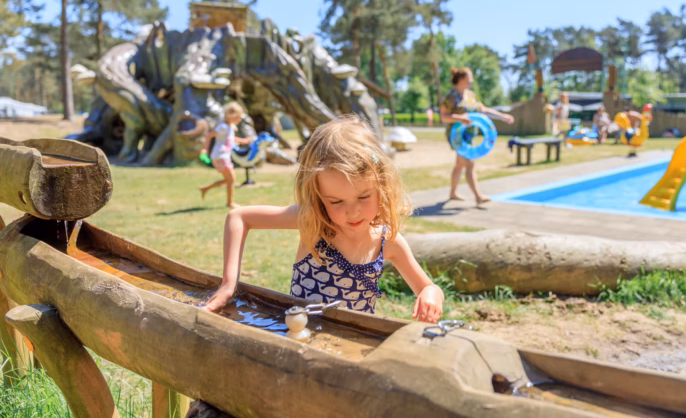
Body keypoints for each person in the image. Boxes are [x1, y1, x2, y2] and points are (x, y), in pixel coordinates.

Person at [204, 115, 444, 323]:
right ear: (319, 197)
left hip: (350, 352)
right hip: (300, 343)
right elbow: (239, 217)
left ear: (381, 184)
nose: (353, 212)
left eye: (363, 196)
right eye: (336, 202)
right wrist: (228, 283)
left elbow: (428, 286)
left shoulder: (388, 241)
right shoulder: (313, 222)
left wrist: (431, 295)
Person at [440, 67, 515, 205]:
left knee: (458, 165)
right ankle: (478, 196)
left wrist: (503, 116)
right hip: (457, 137)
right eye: (470, 78)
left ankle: (453, 193)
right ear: (462, 79)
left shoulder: (471, 95)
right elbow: (443, 117)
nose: (472, 81)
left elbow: (484, 109)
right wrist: (460, 118)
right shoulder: (452, 97)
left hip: (469, 135)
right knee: (469, 165)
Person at [199, 102, 252, 208]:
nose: (240, 120)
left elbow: (231, 139)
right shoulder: (223, 127)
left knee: (228, 180)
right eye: (238, 117)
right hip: (220, 156)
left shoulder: (229, 127)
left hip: (223, 156)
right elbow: (210, 135)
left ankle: (205, 188)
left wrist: (244, 141)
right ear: (231, 115)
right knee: (231, 179)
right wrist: (204, 149)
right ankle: (230, 202)